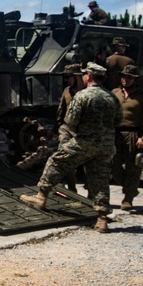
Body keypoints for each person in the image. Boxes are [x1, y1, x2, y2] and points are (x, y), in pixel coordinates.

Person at [21, 62, 122, 233]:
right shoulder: (112, 97)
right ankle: (102, 218)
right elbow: (118, 121)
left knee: (56, 161)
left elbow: (71, 121)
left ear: (88, 76)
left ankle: (41, 197)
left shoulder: (82, 96)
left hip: (85, 141)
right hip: (106, 145)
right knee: (100, 178)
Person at [111, 64, 143, 210]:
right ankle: (131, 188)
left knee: (133, 168)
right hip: (116, 134)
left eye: (129, 77)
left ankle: (128, 198)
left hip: (133, 134)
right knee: (113, 166)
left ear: (135, 79)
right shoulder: (114, 93)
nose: (126, 79)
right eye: (124, 76)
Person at [55, 62, 86, 192]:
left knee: (88, 162)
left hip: (85, 132)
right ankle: (71, 188)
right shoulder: (67, 91)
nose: (66, 80)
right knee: (65, 159)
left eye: (68, 77)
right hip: (68, 130)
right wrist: (60, 127)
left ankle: (91, 193)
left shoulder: (88, 92)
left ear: (77, 77)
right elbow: (61, 111)